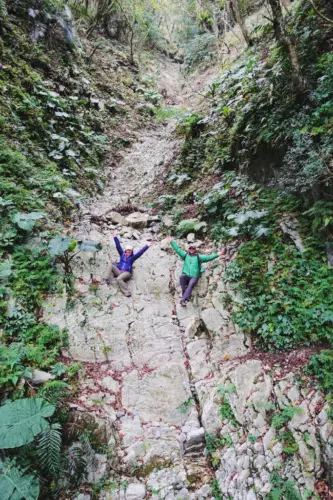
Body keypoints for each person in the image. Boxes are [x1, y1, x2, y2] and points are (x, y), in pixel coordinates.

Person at [168, 237, 227, 306]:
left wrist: (218, 254)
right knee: (181, 278)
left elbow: (208, 257)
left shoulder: (199, 257)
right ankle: (185, 297)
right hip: (185, 274)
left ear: (195, 250)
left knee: (190, 285)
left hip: (194, 276)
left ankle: (184, 299)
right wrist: (171, 241)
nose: (191, 250)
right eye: (190, 248)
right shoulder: (185, 255)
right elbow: (178, 249)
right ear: (188, 249)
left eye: (193, 248)